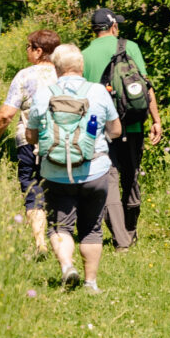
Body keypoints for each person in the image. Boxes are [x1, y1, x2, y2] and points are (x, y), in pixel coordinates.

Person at [26, 44, 120, 291]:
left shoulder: (44, 94)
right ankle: (91, 283)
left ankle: (67, 266)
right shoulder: (99, 92)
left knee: (60, 226)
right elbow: (116, 130)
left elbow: (31, 136)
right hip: (95, 171)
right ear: (81, 67)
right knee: (91, 228)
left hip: (56, 173)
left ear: (56, 68)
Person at [82, 8, 165, 249]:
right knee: (131, 177)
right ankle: (131, 229)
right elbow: (146, 87)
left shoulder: (84, 54)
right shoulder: (130, 47)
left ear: (94, 29)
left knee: (109, 179)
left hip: (102, 129)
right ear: (114, 27)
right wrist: (156, 120)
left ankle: (121, 239)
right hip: (134, 124)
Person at [0, 30, 62, 257]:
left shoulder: (25, 76)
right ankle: (60, 240)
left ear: (38, 51)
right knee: (58, 189)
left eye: (28, 47)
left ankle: (40, 243)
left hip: (30, 141)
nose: (26, 51)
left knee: (33, 187)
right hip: (63, 141)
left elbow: (5, 116)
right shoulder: (66, 74)